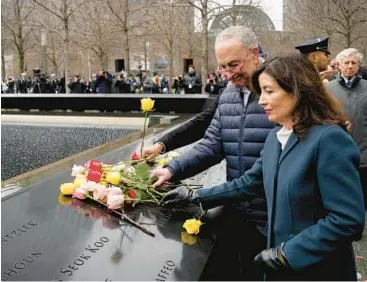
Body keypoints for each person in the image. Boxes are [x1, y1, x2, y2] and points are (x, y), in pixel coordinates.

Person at [161, 54, 365, 281]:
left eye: (269, 91)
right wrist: (196, 196)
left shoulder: (329, 140)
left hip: (319, 271)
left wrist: (287, 254)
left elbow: (347, 220)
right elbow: (250, 182)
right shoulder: (276, 137)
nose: (261, 101)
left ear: (297, 91)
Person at [150, 26, 275, 280]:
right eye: (222, 67)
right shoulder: (228, 94)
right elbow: (211, 145)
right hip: (238, 210)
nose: (228, 75)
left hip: (274, 216)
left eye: (234, 65)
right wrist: (173, 169)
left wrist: (200, 196)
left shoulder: (279, 91)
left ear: (254, 53)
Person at [326, 48, 367, 209]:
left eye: (353, 63)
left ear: (359, 66)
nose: (350, 66)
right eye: (346, 62)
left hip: (364, 155)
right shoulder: (328, 89)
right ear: (339, 65)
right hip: (337, 153)